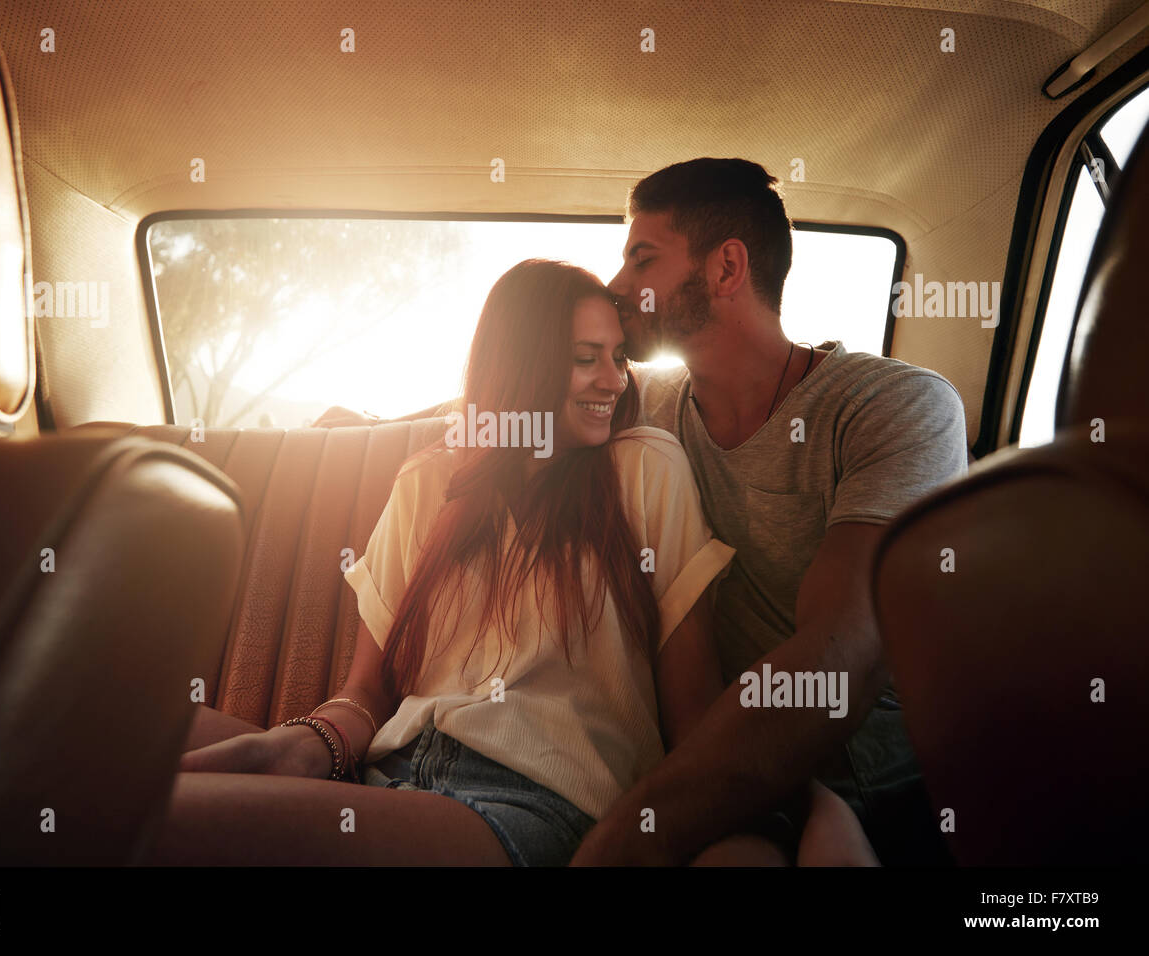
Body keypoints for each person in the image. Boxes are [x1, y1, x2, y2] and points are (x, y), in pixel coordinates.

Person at [140, 258, 879, 866]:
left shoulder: (645, 468)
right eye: (586, 359)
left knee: (144, 823)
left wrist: (796, 802)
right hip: (387, 771)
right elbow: (365, 695)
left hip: (529, 806)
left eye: (618, 358)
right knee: (89, 731)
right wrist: (308, 742)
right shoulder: (427, 482)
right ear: (520, 366)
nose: (614, 379)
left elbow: (693, 719)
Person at [570, 158, 968, 866]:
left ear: (726, 269)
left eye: (642, 258)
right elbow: (522, 402)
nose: (617, 285)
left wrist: (625, 837)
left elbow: (842, 652)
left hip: (881, 794)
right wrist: (349, 423)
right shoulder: (654, 403)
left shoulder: (894, 407)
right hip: (717, 780)